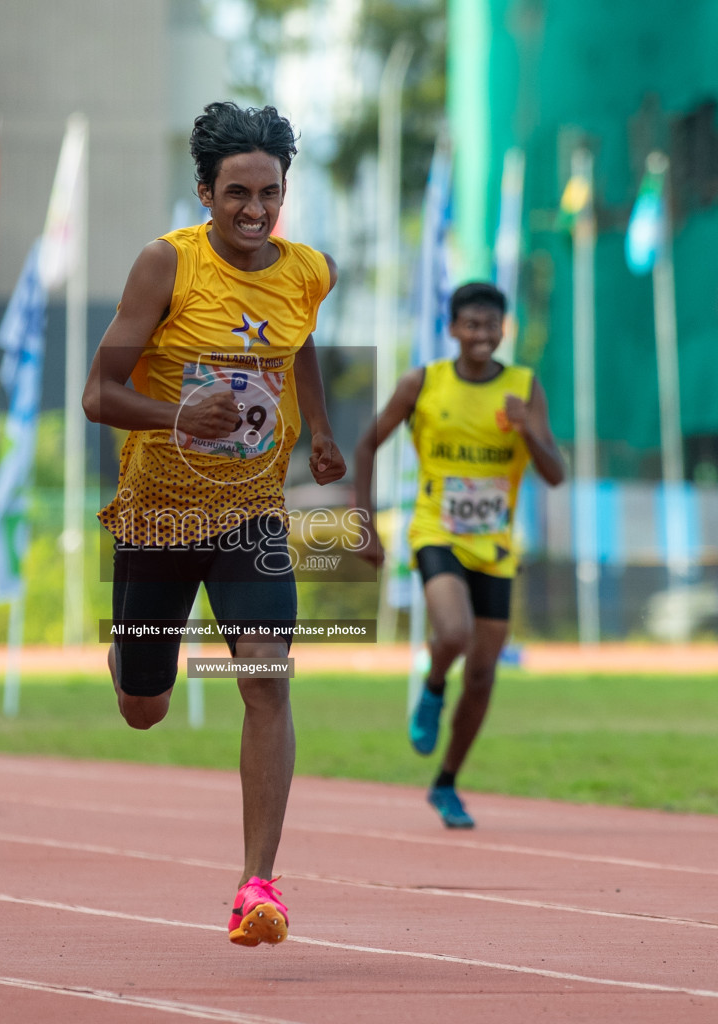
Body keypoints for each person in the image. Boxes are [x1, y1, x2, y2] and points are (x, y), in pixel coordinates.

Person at [83, 101, 343, 946]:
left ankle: (255, 885)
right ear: (205, 190)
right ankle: (129, 656)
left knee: (266, 677)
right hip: (157, 518)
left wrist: (326, 434)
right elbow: (99, 395)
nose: (255, 210)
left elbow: (295, 341)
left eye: (270, 192)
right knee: (144, 709)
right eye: (237, 193)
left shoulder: (308, 270)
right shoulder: (165, 267)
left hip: (250, 515)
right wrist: (175, 417)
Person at [354, 282, 565, 829]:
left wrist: (528, 430)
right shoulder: (423, 383)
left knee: (484, 674)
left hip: (494, 546)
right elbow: (366, 444)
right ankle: (430, 688)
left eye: (491, 326)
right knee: (452, 634)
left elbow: (555, 473)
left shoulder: (523, 388)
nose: (481, 335)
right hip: (436, 532)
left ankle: (447, 781)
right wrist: (365, 524)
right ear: (452, 329)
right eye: (471, 325)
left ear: (503, 330)